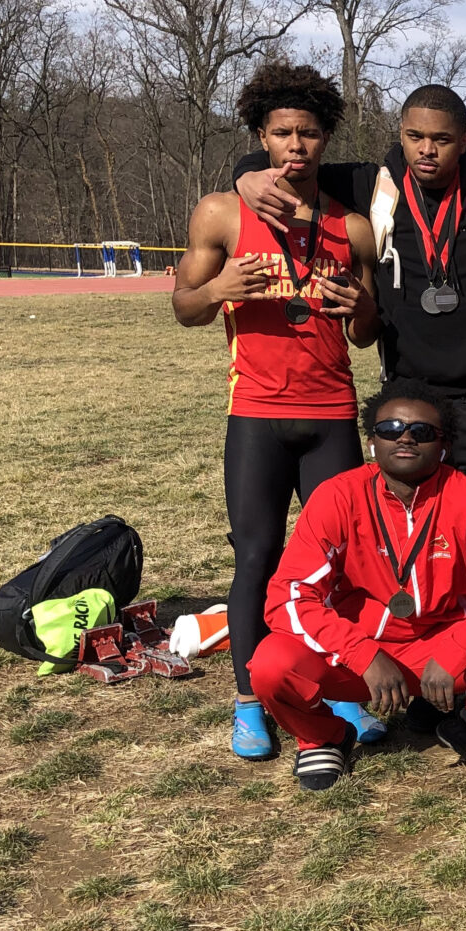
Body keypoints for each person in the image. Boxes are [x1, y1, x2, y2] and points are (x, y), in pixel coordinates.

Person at [173, 62, 380, 761]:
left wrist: (362, 309)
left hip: (331, 414)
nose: (297, 146)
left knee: (341, 564)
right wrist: (221, 286)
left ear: (327, 139)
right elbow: (184, 309)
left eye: (311, 133)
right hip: (257, 414)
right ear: (260, 137)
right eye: (283, 132)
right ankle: (249, 703)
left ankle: (344, 687)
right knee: (257, 556)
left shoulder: (350, 228)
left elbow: (365, 333)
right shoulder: (220, 212)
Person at [232, 84, 466, 538]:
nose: (426, 150)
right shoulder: (371, 183)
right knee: (412, 530)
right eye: (414, 137)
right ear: (400, 134)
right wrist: (246, 172)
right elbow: (295, 159)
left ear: (464, 140)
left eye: (442, 140)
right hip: (408, 393)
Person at [250, 379, 466, 787]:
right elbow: (289, 596)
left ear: (444, 445)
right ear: (372, 440)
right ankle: (323, 738)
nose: (404, 437)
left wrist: (458, 651)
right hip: (362, 653)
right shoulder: (337, 496)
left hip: (443, 652)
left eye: (422, 432)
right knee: (271, 664)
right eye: (389, 429)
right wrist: (362, 655)